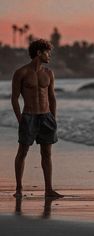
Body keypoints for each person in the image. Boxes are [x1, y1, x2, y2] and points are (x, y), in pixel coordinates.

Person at [11, 39, 63, 198]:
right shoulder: (21, 73)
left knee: (46, 153)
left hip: (46, 117)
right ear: (39, 53)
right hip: (29, 116)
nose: (49, 56)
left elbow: (52, 97)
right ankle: (19, 189)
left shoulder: (49, 73)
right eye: (47, 52)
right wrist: (20, 119)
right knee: (23, 151)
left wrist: (53, 118)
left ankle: (49, 190)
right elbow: (14, 98)